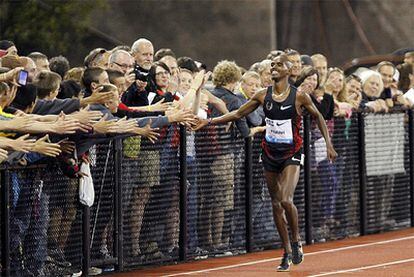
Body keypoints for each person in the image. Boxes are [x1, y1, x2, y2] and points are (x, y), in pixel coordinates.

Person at [194, 54, 337, 272]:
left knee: (286, 199)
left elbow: (318, 117)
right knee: (275, 204)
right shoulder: (263, 95)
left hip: (292, 152)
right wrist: (209, 121)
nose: (274, 67)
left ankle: (297, 240)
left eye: (279, 65)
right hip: (270, 153)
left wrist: (328, 144)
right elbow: (238, 113)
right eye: (272, 65)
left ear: (289, 70)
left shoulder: (300, 96)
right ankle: (286, 251)